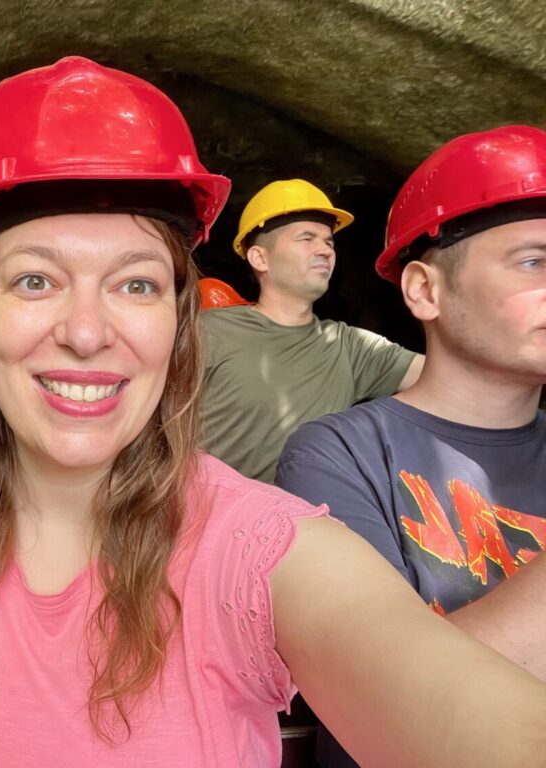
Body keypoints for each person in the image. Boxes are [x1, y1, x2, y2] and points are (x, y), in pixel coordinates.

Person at [0, 57, 546, 768]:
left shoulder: (263, 549)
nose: (87, 330)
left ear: (177, 322)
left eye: (136, 285)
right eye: (35, 279)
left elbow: (447, 698)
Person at [276, 124, 546, 768]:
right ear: (425, 289)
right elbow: (388, 711)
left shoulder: (346, 347)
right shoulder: (337, 457)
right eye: (535, 261)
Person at [199, 179, 424, 482]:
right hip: (211, 519)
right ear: (260, 258)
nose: (325, 251)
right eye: (306, 239)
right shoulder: (208, 332)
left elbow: (450, 380)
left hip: (310, 525)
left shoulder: (350, 347)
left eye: (329, 242)